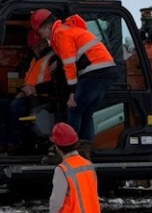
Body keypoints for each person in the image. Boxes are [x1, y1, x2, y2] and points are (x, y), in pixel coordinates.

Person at [31, 9, 116, 155]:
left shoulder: (60, 34)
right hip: (106, 70)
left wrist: (71, 92)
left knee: (74, 108)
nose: (42, 37)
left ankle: (67, 149)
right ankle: (84, 149)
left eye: (40, 33)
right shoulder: (67, 30)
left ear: (47, 27)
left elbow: (69, 64)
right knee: (86, 111)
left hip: (94, 71)